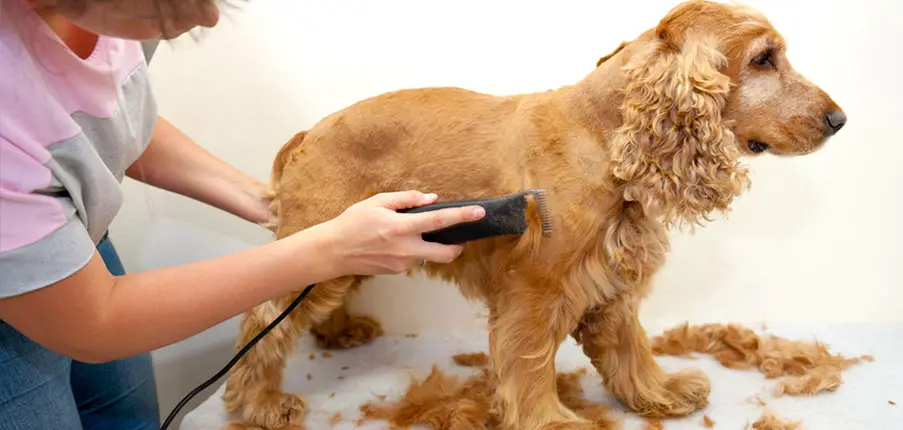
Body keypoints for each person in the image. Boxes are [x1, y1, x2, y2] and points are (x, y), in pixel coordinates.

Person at [0, 0, 487, 428]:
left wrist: (267, 201)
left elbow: (102, 118)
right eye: (170, 5)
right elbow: (95, 323)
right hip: (25, 300)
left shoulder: (108, 19)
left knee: (128, 418)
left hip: (74, 241)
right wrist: (329, 249)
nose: (208, 17)